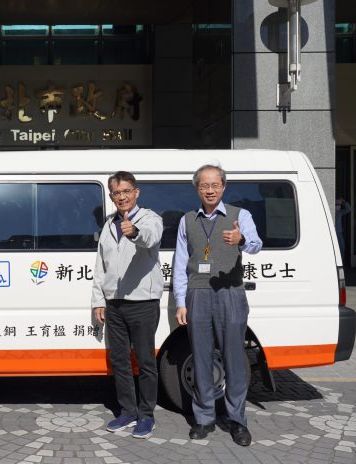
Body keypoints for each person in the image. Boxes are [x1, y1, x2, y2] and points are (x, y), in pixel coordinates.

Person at [173, 163, 262, 446]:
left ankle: (237, 421)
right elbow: (180, 263)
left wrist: (241, 239)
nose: (210, 190)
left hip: (230, 292)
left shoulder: (240, 215)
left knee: (234, 358)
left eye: (215, 184)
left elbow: (256, 244)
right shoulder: (187, 220)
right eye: (204, 185)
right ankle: (204, 418)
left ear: (223, 187)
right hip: (197, 293)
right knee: (200, 357)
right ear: (197, 189)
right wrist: (180, 302)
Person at [92, 171, 164, 439]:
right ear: (111, 196)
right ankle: (127, 412)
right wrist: (99, 300)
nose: (121, 197)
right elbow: (101, 266)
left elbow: (151, 238)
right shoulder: (109, 224)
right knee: (119, 360)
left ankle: (146, 415)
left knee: (145, 362)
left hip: (143, 302)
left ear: (136, 192)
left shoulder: (150, 219)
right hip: (115, 303)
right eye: (116, 193)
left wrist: (134, 232)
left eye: (126, 191)